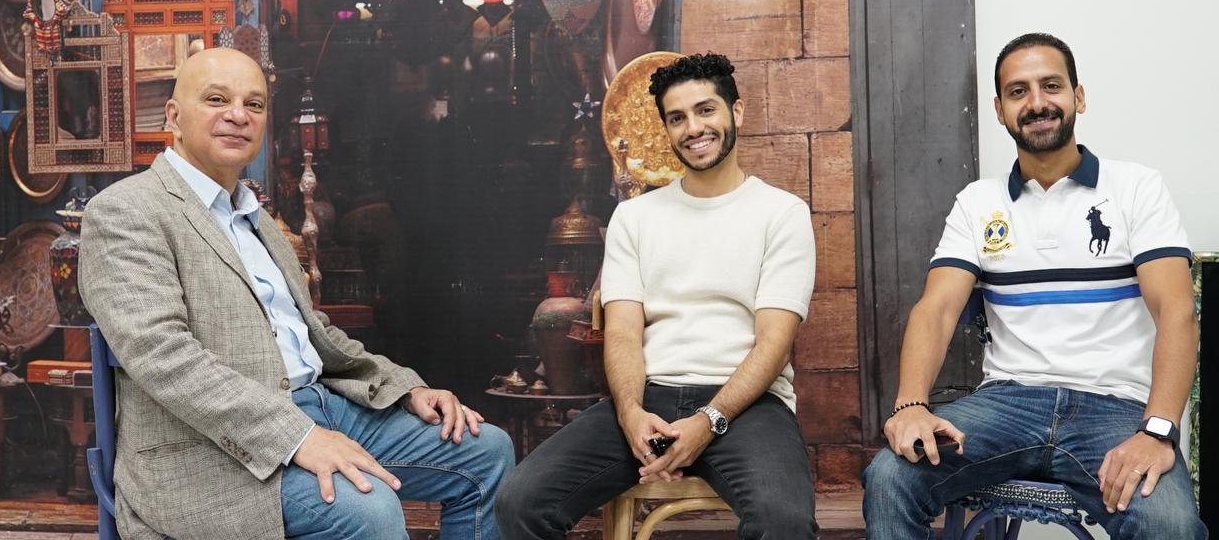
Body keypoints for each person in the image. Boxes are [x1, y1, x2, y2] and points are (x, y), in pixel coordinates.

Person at [79, 48, 513, 540]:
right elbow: (165, 357)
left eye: (254, 104)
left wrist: (405, 388)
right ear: (174, 117)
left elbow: (313, 332)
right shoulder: (126, 211)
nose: (238, 115)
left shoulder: (255, 216)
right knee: (369, 511)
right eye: (217, 99)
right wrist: (296, 437)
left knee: (485, 453)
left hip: (324, 407)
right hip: (209, 449)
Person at [862, 33, 1205, 538]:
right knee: (890, 476)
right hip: (1006, 404)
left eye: (1051, 86)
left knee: (1170, 522)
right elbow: (936, 309)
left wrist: (1157, 431)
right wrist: (911, 404)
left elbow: (1177, 312)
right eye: (1018, 91)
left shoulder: (1136, 188)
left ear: (1078, 97)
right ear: (1000, 110)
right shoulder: (978, 203)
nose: (1037, 103)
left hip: (1116, 407)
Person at [496, 52, 819, 539]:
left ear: (737, 111)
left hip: (747, 407)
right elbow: (623, 333)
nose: (694, 128)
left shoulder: (782, 213)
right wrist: (629, 413)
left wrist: (708, 422)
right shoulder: (635, 218)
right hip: (648, 398)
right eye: (677, 118)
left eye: (706, 110)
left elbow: (775, 343)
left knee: (785, 522)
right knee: (520, 503)